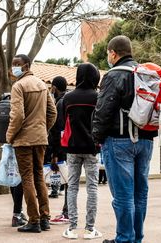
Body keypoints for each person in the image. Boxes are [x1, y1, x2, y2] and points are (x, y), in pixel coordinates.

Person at [92, 35, 157, 243]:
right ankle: (136, 238)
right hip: (146, 140)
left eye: (108, 53)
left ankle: (124, 239)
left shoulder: (114, 75)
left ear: (113, 52)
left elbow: (103, 110)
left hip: (119, 141)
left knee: (123, 196)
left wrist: (97, 138)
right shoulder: (146, 74)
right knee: (140, 193)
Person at [6, 54, 57, 233]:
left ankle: (33, 220)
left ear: (26, 66)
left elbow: (17, 115)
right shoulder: (42, 84)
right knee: (39, 176)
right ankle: (45, 218)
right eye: (13, 64)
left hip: (23, 140)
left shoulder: (18, 86)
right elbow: (53, 112)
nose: (14, 68)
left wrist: (10, 135)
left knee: (27, 178)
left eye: (17, 64)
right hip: (40, 138)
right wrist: (43, 129)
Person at [59, 63, 102, 240]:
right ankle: (90, 229)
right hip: (92, 148)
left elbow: (61, 124)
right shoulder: (98, 97)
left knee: (73, 186)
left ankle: (72, 228)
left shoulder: (68, 98)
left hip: (72, 148)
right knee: (92, 187)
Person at [46, 76, 68, 199]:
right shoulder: (68, 99)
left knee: (57, 166)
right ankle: (58, 188)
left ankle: (55, 189)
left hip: (60, 143)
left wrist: (54, 154)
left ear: (54, 87)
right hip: (70, 142)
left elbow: (57, 129)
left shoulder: (59, 102)